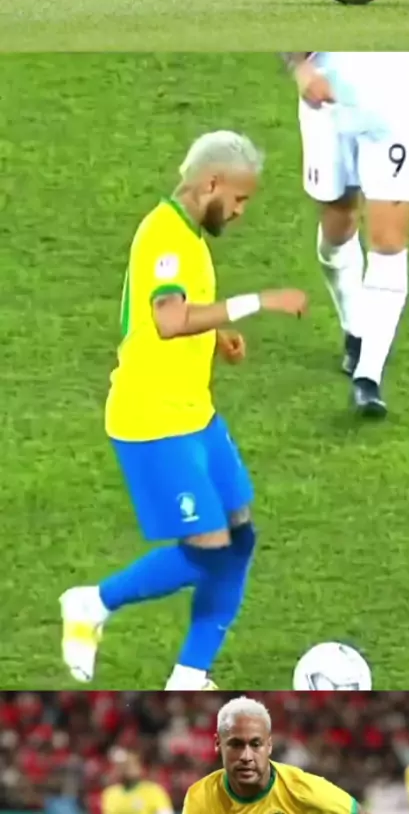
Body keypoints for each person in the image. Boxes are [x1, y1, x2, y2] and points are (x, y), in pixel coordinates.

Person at [59, 130, 307, 690]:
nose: (240, 212)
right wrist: (258, 302)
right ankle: (92, 603)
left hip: (196, 415)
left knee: (239, 536)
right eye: (238, 199)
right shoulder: (164, 236)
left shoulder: (190, 237)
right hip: (152, 421)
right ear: (211, 183)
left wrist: (217, 335)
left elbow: (181, 311)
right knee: (209, 549)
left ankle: (190, 676)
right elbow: (170, 321)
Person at [281, 52, 409, 418]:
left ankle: (367, 377)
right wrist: (300, 68)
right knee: (337, 227)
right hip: (327, 94)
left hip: (395, 100)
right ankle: (355, 328)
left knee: (389, 243)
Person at [183, 696, 366, 814]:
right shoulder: (201, 796)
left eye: (256, 744)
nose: (246, 756)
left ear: (269, 745)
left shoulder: (301, 790)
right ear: (218, 744)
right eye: (236, 744)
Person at [102, 750, 173, 814]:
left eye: (132, 764)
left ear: (140, 767)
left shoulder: (154, 791)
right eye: (124, 765)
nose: (128, 768)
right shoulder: (109, 793)